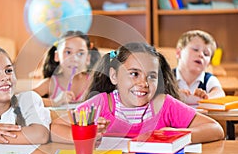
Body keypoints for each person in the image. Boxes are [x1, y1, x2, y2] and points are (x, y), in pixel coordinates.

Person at [75, 42, 224, 144]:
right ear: (114, 76)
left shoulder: (164, 104)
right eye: (134, 74)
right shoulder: (100, 104)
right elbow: (58, 126)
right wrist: (87, 133)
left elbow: (216, 129)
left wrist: (177, 135)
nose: (143, 83)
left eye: (151, 76)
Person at [33, 30, 100, 107]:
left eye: (80, 53)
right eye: (68, 52)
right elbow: (24, 99)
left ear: (88, 58)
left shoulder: (93, 82)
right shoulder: (51, 83)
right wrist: (55, 102)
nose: (74, 58)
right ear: (57, 56)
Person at [174, 30, 225, 105]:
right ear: (179, 53)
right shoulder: (168, 77)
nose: (201, 55)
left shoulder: (209, 79)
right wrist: (175, 94)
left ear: (209, 63)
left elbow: (220, 94)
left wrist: (204, 97)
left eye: (206, 54)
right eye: (195, 49)